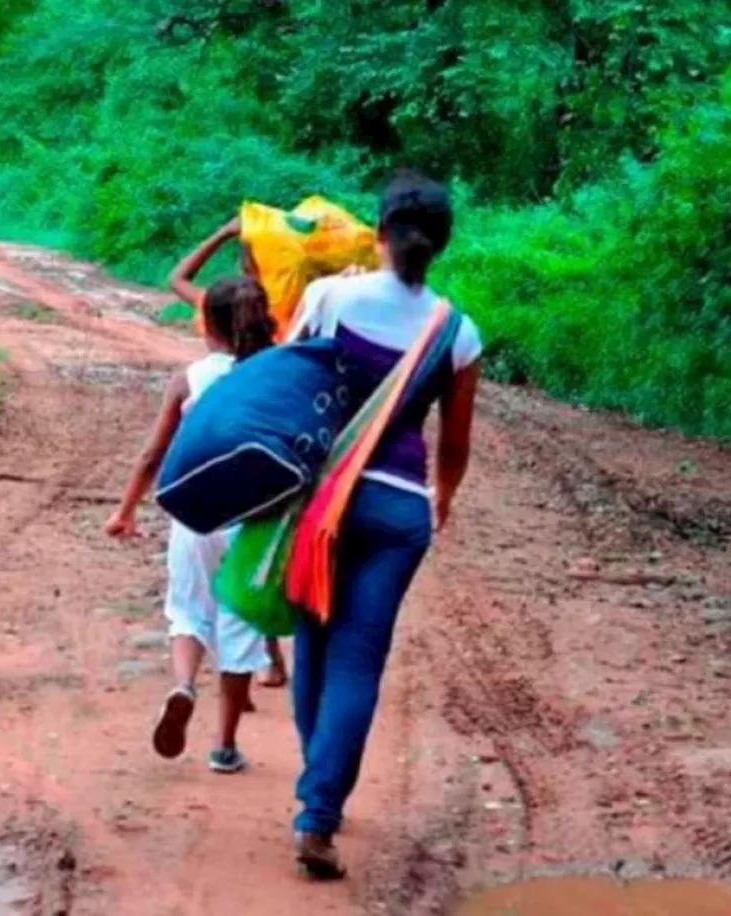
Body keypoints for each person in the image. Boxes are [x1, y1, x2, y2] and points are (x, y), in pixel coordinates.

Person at [287, 174, 482, 879]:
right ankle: (318, 807)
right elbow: (454, 443)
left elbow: (286, 382)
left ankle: (320, 793)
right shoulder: (457, 333)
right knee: (359, 660)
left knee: (313, 640)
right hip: (400, 510)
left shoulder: (331, 297)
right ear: (440, 247)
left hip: (323, 503)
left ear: (378, 230)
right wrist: (445, 495)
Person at [106, 259, 277, 774]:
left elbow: (152, 454)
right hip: (256, 518)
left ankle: (182, 685)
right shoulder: (277, 375)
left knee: (188, 609)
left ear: (211, 325)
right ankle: (224, 745)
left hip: (196, 511)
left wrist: (126, 510)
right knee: (241, 620)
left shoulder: (190, 379)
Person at [169, 220, 290, 691]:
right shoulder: (279, 324)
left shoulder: (216, 307)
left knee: (206, 579)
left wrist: (219, 231)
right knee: (250, 554)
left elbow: (176, 278)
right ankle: (267, 662)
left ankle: (243, 665)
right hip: (261, 474)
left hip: (208, 472)